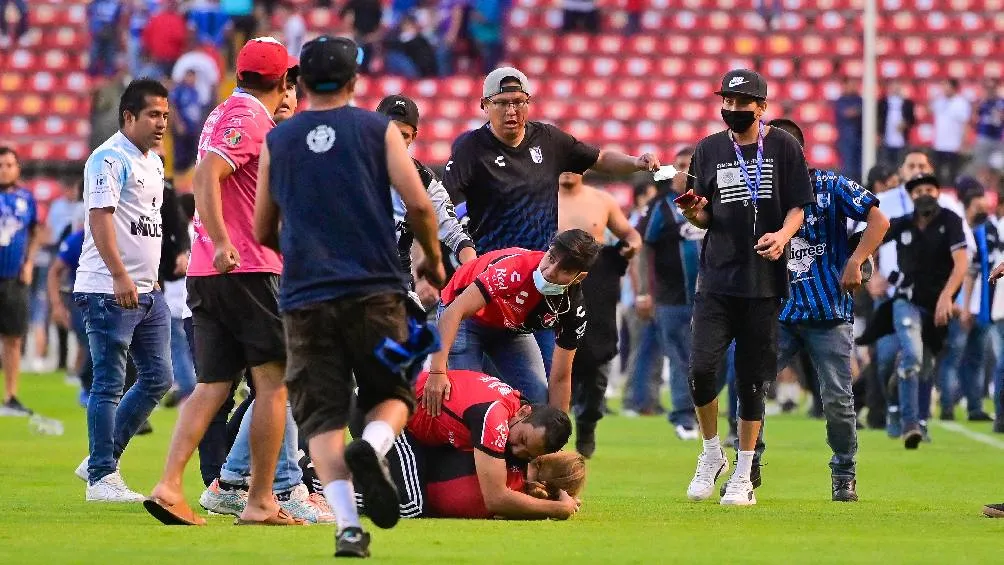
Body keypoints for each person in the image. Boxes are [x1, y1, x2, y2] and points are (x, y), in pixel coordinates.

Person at [254, 35, 445, 557]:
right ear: (354, 81)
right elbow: (419, 205)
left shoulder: (279, 140)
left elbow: (262, 227)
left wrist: (301, 254)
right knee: (393, 393)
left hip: (305, 299)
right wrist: (432, 258)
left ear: (299, 82)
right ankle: (375, 446)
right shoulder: (378, 130)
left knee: (322, 417)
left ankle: (347, 528)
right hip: (375, 291)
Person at [144, 37, 300, 527]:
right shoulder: (250, 118)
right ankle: (260, 501)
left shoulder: (222, 113)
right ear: (282, 80)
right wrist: (221, 240)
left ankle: (169, 486)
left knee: (212, 385)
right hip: (246, 268)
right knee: (274, 384)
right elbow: (206, 176)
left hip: (209, 275)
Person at [441, 65, 657, 396]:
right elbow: (445, 205)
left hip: (543, 282)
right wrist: (466, 253)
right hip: (490, 284)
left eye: (519, 102)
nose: (512, 111)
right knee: (481, 392)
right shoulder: (472, 148)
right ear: (484, 105)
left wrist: (634, 162)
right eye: (502, 103)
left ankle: (550, 427)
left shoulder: (548, 139)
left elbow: (598, 158)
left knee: (542, 390)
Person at [197, 73, 335, 525]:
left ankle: (233, 481)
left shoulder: (286, 145)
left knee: (273, 386)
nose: (288, 97)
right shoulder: (256, 136)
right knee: (281, 382)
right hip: (257, 274)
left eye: (294, 90)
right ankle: (284, 486)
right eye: (283, 88)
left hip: (276, 274)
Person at [674, 69, 813, 506]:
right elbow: (704, 216)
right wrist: (694, 213)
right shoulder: (708, 149)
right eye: (727, 102)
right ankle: (711, 452)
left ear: (762, 107)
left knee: (752, 380)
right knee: (700, 369)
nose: (733, 109)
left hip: (764, 282)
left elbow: (799, 206)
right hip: (716, 278)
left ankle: (744, 472)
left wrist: (783, 236)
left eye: (742, 103)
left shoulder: (784, 147)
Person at [766, 118, 890, 502]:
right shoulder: (761, 192)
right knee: (750, 387)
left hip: (828, 310)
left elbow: (879, 219)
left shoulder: (830, 184)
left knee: (837, 399)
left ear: (794, 151)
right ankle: (747, 465)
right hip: (778, 312)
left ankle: (844, 472)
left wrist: (857, 260)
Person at [71, 79, 173, 501]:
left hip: (147, 288)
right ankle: (101, 478)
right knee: (109, 383)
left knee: (159, 378)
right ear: (129, 116)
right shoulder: (108, 158)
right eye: (153, 115)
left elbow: (144, 223)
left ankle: (102, 456)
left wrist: (150, 274)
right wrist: (119, 275)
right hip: (108, 288)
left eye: (165, 115)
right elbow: (100, 218)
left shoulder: (155, 162)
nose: (161, 123)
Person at [425, 229, 601, 412]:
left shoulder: (574, 311)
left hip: (509, 328)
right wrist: (437, 371)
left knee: (537, 402)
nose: (550, 272)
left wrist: (559, 427)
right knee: (473, 401)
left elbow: (561, 377)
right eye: (551, 258)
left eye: (564, 270)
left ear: (579, 278)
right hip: (464, 318)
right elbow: (454, 312)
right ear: (548, 249)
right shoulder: (514, 269)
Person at [408, 369, 578, 519]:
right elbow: (496, 499)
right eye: (522, 439)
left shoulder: (513, 403)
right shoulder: (493, 418)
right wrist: (558, 509)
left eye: (528, 455)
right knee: (412, 505)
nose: (516, 451)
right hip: (398, 418)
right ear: (524, 412)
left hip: (415, 429)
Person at [878, 173, 969, 448]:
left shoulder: (951, 221)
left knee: (926, 364)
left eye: (929, 189)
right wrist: (866, 268)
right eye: (918, 191)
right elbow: (870, 239)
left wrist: (947, 297)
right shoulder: (902, 223)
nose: (924, 194)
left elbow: (961, 263)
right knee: (913, 356)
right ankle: (910, 425)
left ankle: (915, 413)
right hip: (906, 300)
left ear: (938, 192)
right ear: (910, 197)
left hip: (937, 304)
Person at [557, 171, 640, 457]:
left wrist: (631, 246)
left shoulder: (602, 200)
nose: (568, 170)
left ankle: (588, 424)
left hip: (597, 289)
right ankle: (551, 435)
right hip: (550, 288)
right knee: (551, 364)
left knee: (596, 364)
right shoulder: (539, 197)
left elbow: (631, 235)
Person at [634, 147, 703, 441]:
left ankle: (709, 413)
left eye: (688, 165)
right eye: (679, 165)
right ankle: (684, 416)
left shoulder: (714, 202)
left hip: (714, 296)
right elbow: (642, 246)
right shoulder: (660, 206)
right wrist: (643, 292)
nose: (682, 171)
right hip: (672, 297)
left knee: (717, 359)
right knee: (679, 357)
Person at [375, 94, 476, 291]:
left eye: (403, 135)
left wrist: (473, 273)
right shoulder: (351, 169)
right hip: (350, 280)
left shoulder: (425, 181)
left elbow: (456, 235)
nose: (396, 141)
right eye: (390, 133)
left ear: (413, 137)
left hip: (397, 286)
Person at [939, 184, 995, 422]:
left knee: (975, 359)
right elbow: (962, 273)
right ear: (967, 207)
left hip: (980, 306)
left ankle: (974, 407)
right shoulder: (956, 232)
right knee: (953, 357)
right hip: (959, 305)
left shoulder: (987, 233)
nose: (982, 211)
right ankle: (947, 406)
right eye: (978, 206)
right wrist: (959, 304)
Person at [0, 147, 40, 416]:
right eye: (0, 165)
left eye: (9, 165)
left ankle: (11, 396)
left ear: (17, 168)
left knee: (13, 338)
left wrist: (29, 262)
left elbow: (36, 230)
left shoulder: (26, 199)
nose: (4, 170)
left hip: (14, 277)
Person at [930, 79, 972, 186]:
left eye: (947, 86)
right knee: (937, 172)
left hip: (954, 145)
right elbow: (928, 110)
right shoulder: (939, 101)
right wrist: (933, 97)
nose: (944, 89)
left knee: (952, 174)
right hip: (938, 144)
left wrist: (963, 142)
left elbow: (965, 124)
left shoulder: (961, 103)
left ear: (954, 88)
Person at [877, 80, 915, 169]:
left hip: (902, 141)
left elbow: (912, 120)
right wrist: (879, 134)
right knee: (886, 167)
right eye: (893, 86)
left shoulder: (907, 103)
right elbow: (877, 119)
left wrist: (905, 124)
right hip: (886, 141)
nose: (895, 89)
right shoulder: (882, 103)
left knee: (900, 166)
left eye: (897, 86)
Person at [833, 77, 864, 182]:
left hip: (860, 138)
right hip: (846, 140)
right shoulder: (841, 101)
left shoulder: (860, 100)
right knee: (848, 167)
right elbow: (847, 113)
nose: (853, 87)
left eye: (855, 84)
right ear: (845, 86)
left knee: (860, 167)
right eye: (851, 84)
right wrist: (860, 110)